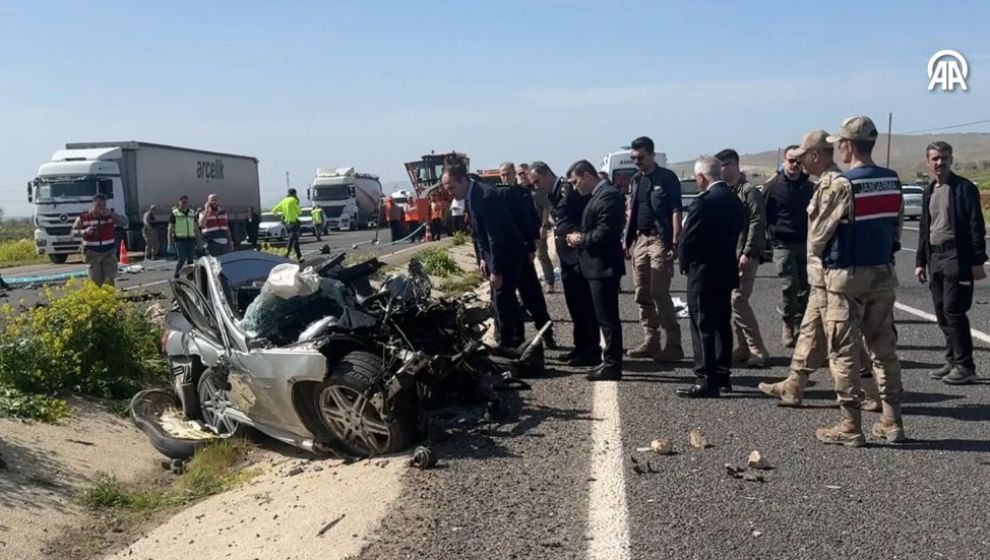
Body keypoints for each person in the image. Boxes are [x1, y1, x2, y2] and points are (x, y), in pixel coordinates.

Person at [758, 130, 880, 411]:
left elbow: (821, 238)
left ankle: (868, 396)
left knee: (843, 342)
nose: (800, 163)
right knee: (810, 331)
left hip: (831, 276)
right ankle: (793, 385)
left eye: (803, 157)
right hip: (820, 277)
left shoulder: (834, 184)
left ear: (815, 155)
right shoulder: (821, 183)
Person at [814, 116, 905, 447]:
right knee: (885, 350)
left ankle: (850, 425)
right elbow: (896, 229)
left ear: (848, 146)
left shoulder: (841, 185)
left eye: (840, 144)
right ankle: (893, 421)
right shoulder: (892, 180)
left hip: (845, 277)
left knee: (844, 352)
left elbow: (818, 236)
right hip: (882, 273)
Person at [915, 141, 988, 385]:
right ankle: (952, 360)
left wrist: (978, 260)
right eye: (935, 158)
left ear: (951, 159)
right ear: (928, 162)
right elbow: (925, 229)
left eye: (944, 157)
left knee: (954, 310)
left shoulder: (963, 188)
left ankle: (966, 365)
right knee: (941, 312)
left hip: (958, 258)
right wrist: (920, 261)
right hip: (935, 257)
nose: (940, 162)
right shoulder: (929, 191)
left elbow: (976, 225)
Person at [676, 156, 745, 398]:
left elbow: (687, 240)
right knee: (721, 325)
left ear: (702, 177)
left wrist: (683, 262)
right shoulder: (735, 200)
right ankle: (722, 375)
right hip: (725, 270)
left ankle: (705, 378)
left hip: (702, 273)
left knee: (702, 325)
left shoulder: (703, 203)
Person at [442, 163, 528, 348]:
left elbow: (495, 236)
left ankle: (507, 346)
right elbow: (478, 232)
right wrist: (482, 258)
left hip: (507, 255)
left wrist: (496, 270)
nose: (449, 193)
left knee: (502, 302)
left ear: (463, 180)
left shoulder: (485, 197)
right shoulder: (471, 196)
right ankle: (516, 340)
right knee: (505, 300)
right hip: (494, 255)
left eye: (451, 188)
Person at [622, 136, 684, 362]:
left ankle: (674, 345)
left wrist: (675, 241)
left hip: (660, 241)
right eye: (633, 158)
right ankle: (651, 341)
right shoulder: (636, 179)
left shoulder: (667, 178)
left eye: (640, 157)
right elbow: (632, 211)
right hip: (639, 240)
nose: (636, 161)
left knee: (659, 292)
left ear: (651, 154)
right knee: (642, 294)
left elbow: (676, 210)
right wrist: (626, 241)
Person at [533, 161, 599, 366]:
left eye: (537, 180)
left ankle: (591, 349)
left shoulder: (566, 189)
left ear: (545, 174)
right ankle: (580, 347)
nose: (536, 186)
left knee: (584, 305)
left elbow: (581, 215)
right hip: (566, 257)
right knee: (574, 305)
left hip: (577, 254)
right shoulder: (552, 193)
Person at [565, 160, 625, 381]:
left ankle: (612, 365)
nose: (574, 187)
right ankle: (608, 361)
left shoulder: (608, 195)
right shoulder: (596, 196)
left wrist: (580, 238)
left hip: (604, 267)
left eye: (575, 181)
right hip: (596, 267)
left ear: (587, 175)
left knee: (608, 319)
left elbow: (606, 233)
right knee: (603, 318)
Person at [715, 148, 769, 367]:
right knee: (732, 302)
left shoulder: (749, 191)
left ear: (735, 165)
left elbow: (757, 222)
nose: (722, 169)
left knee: (738, 300)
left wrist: (747, 251)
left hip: (745, 254)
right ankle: (743, 347)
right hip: (729, 254)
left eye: (725, 164)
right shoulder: (728, 191)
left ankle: (759, 350)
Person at [497, 162, 556, 349]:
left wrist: (532, 246)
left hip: (524, 254)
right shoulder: (498, 195)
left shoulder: (523, 194)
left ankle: (547, 334)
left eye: (508, 174)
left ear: (515, 174)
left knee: (533, 298)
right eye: (502, 175)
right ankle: (517, 338)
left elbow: (531, 220)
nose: (505, 178)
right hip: (508, 254)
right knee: (511, 302)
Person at [763, 146, 815, 347]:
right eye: (791, 161)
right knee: (789, 285)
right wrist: (764, 243)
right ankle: (787, 324)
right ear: (784, 162)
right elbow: (762, 215)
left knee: (806, 288)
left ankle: (801, 325)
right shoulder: (773, 187)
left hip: (806, 244)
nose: (794, 165)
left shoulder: (810, 188)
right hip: (782, 244)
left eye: (798, 162)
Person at [71, 194, 127, 287]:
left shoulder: (110, 216)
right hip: (92, 253)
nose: (101, 208)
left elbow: (124, 222)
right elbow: (72, 232)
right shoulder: (83, 218)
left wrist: (112, 214)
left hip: (108, 252)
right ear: (92, 205)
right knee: (95, 281)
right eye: (98, 205)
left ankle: (109, 298)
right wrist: (84, 232)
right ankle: (98, 298)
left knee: (109, 280)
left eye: (104, 205)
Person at [519, 163, 556, 293]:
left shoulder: (536, 192)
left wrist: (544, 225)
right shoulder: (517, 191)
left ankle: (549, 282)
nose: (522, 176)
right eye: (519, 174)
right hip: (523, 231)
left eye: (523, 173)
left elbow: (546, 207)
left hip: (537, 228)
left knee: (542, 256)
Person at [169, 195, 198, 278]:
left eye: (186, 202)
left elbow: (195, 227)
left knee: (191, 258)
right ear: (179, 202)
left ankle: (189, 275)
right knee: (182, 258)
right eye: (183, 202)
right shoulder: (174, 213)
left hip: (191, 239)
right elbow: (170, 228)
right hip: (180, 240)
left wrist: (199, 240)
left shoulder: (192, 213)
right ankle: (177, 273)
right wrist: (170, 242)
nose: (184, 204)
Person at [272, 189, 303, 260]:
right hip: (294, 223)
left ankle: (299, 256)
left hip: (287, 224)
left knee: (295, 240)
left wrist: (283, 212)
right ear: (294, 193)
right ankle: (286, 253)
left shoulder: (283, 201)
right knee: (292, 239)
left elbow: (274, 210)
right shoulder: (294, 200)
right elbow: (299, 212)